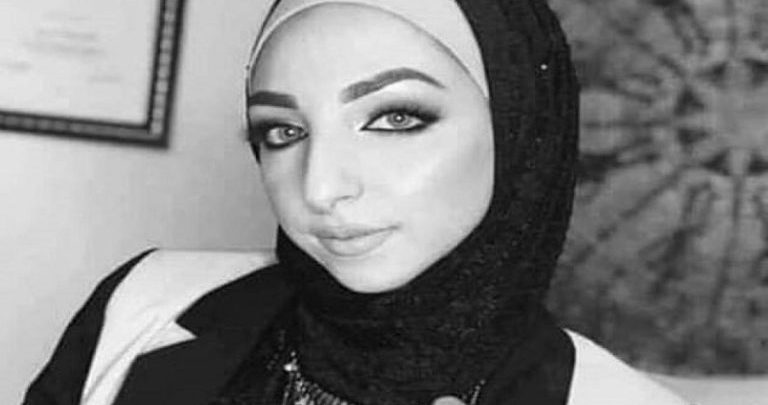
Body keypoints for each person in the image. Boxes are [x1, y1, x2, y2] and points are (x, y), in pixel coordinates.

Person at [23, 0, 691, 404]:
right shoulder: (141, 304)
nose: (320, 188)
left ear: (521, 131)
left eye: (396, 118)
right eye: (282, 132)